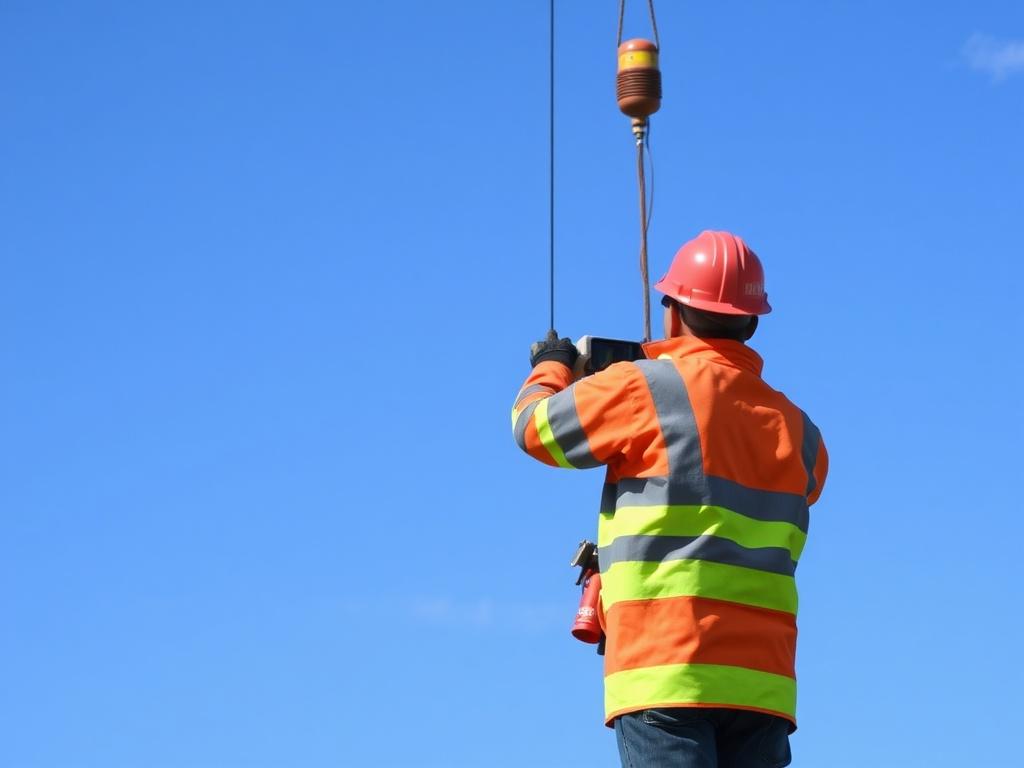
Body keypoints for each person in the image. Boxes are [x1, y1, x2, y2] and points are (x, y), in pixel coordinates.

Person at [511, 230, 828, 768]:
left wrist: (552, 366)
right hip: (763, 688)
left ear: (673, 313)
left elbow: (534, 429)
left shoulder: (644, 388)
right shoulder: (802, 432)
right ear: (752, 322)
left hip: (664, 669)